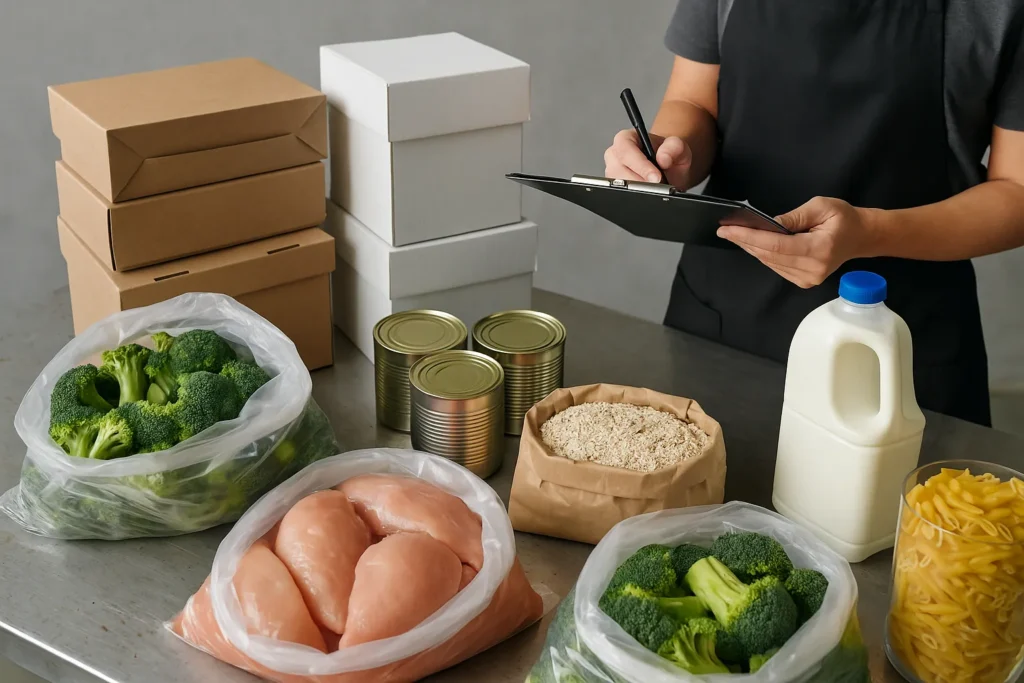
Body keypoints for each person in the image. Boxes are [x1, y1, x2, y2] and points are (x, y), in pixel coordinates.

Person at [604, 0, 1024, 427]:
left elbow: (1018, 191)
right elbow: (695, 101)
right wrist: (673, 151)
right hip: (723, 321)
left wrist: (872, 233)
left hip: (898, 345)